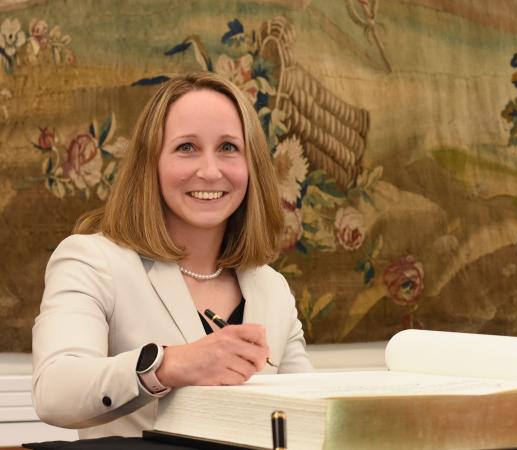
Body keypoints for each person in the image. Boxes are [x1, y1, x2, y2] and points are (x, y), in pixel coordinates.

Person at [32, 72, 313, 438]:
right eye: (186, 148)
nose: (210, 171)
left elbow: (308, 415)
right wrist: (168, 365)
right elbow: (54, 394)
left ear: (252, 166)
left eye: (228, 147)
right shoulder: (91, 260)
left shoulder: (272, 288)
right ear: (151, 163)